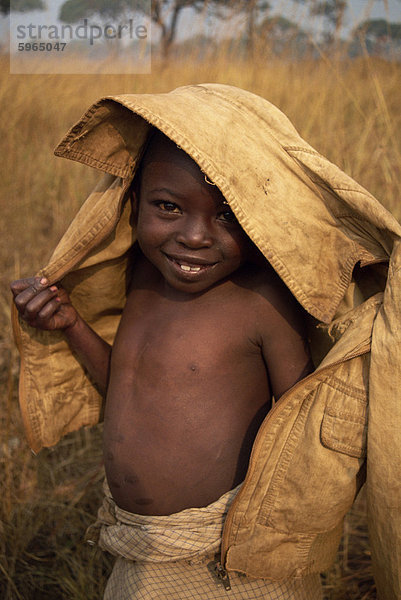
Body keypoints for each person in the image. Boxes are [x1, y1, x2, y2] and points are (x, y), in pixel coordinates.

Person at [10, 84, 401, 600]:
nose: (194, 236)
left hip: (230, 562)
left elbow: (303, 428)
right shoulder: (143, 279)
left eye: (227, 215)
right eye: (168, 207)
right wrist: (72, 325)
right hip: (137, 548)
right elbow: (131, 389)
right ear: (134, 200)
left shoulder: (261, 302)